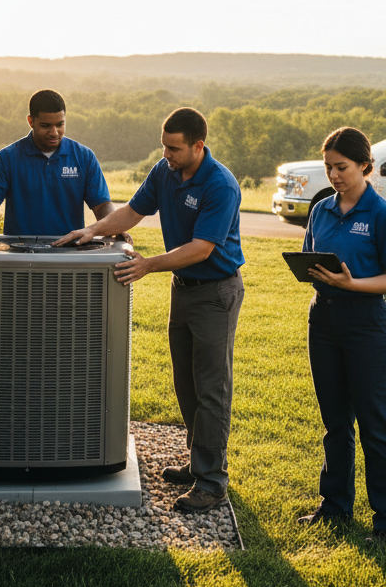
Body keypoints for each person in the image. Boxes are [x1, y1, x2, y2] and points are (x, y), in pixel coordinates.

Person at [55, 107, 245, 514]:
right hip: (185, 288)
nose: (167, 155)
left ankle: (212, 483)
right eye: (164, 146)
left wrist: (147, 265)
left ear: (199, 146)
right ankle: (199, 463)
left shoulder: (220, 185)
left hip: (216, 293)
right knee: (186, 382)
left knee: (211, 388)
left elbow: (202, 248)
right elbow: (132, 211)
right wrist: (93, 229)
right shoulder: (165, 172)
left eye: (175, 149)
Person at [298, 127, 386, 543]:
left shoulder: (382, 215)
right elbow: (313, 254)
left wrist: (350, 285)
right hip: (322, 322)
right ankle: (336, 505)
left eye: (341, 167)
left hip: (366, 326)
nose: (334, 175)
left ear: (365, 166)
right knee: (335, 423)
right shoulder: (321, 210)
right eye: (328, 167)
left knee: (375, 425)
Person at [0, 89, 116, 236]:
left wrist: (115, 228)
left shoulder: (84, 157)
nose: (54, 132)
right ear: (31, 122)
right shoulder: (8, 158)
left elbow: (102, 206)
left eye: (60, 124)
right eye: (46, 125)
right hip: (20, 256)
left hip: (69, 254)